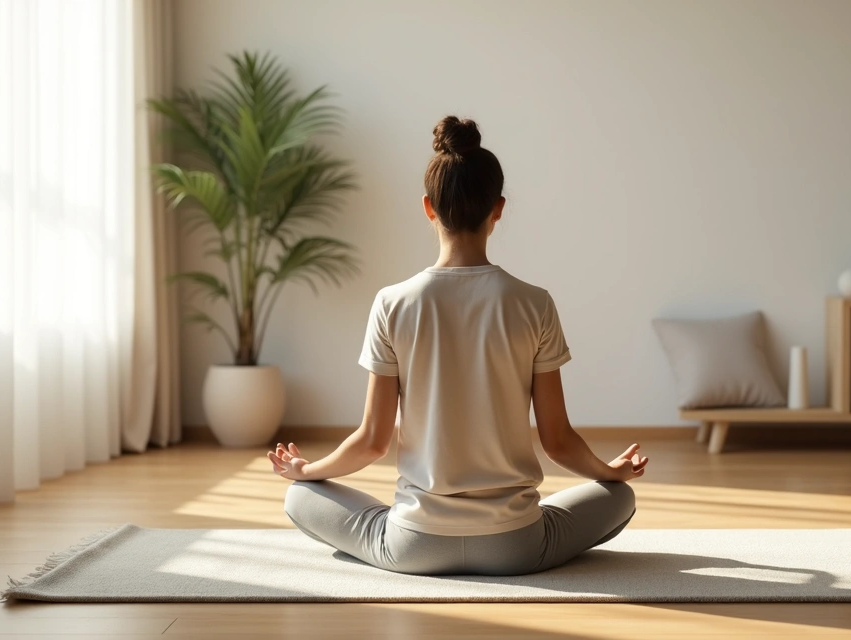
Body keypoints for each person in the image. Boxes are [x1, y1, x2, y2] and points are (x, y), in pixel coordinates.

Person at [267, 116, 647, 576]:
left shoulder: (392, 303)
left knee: (299, 496)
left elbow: (372, 442)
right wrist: (610, 472)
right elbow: (558, 440)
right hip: (517, 545)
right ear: (499, 208)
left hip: (413, 543)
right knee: (619, 497)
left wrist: (306, 472)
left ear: (429, 207)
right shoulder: (534, 303)